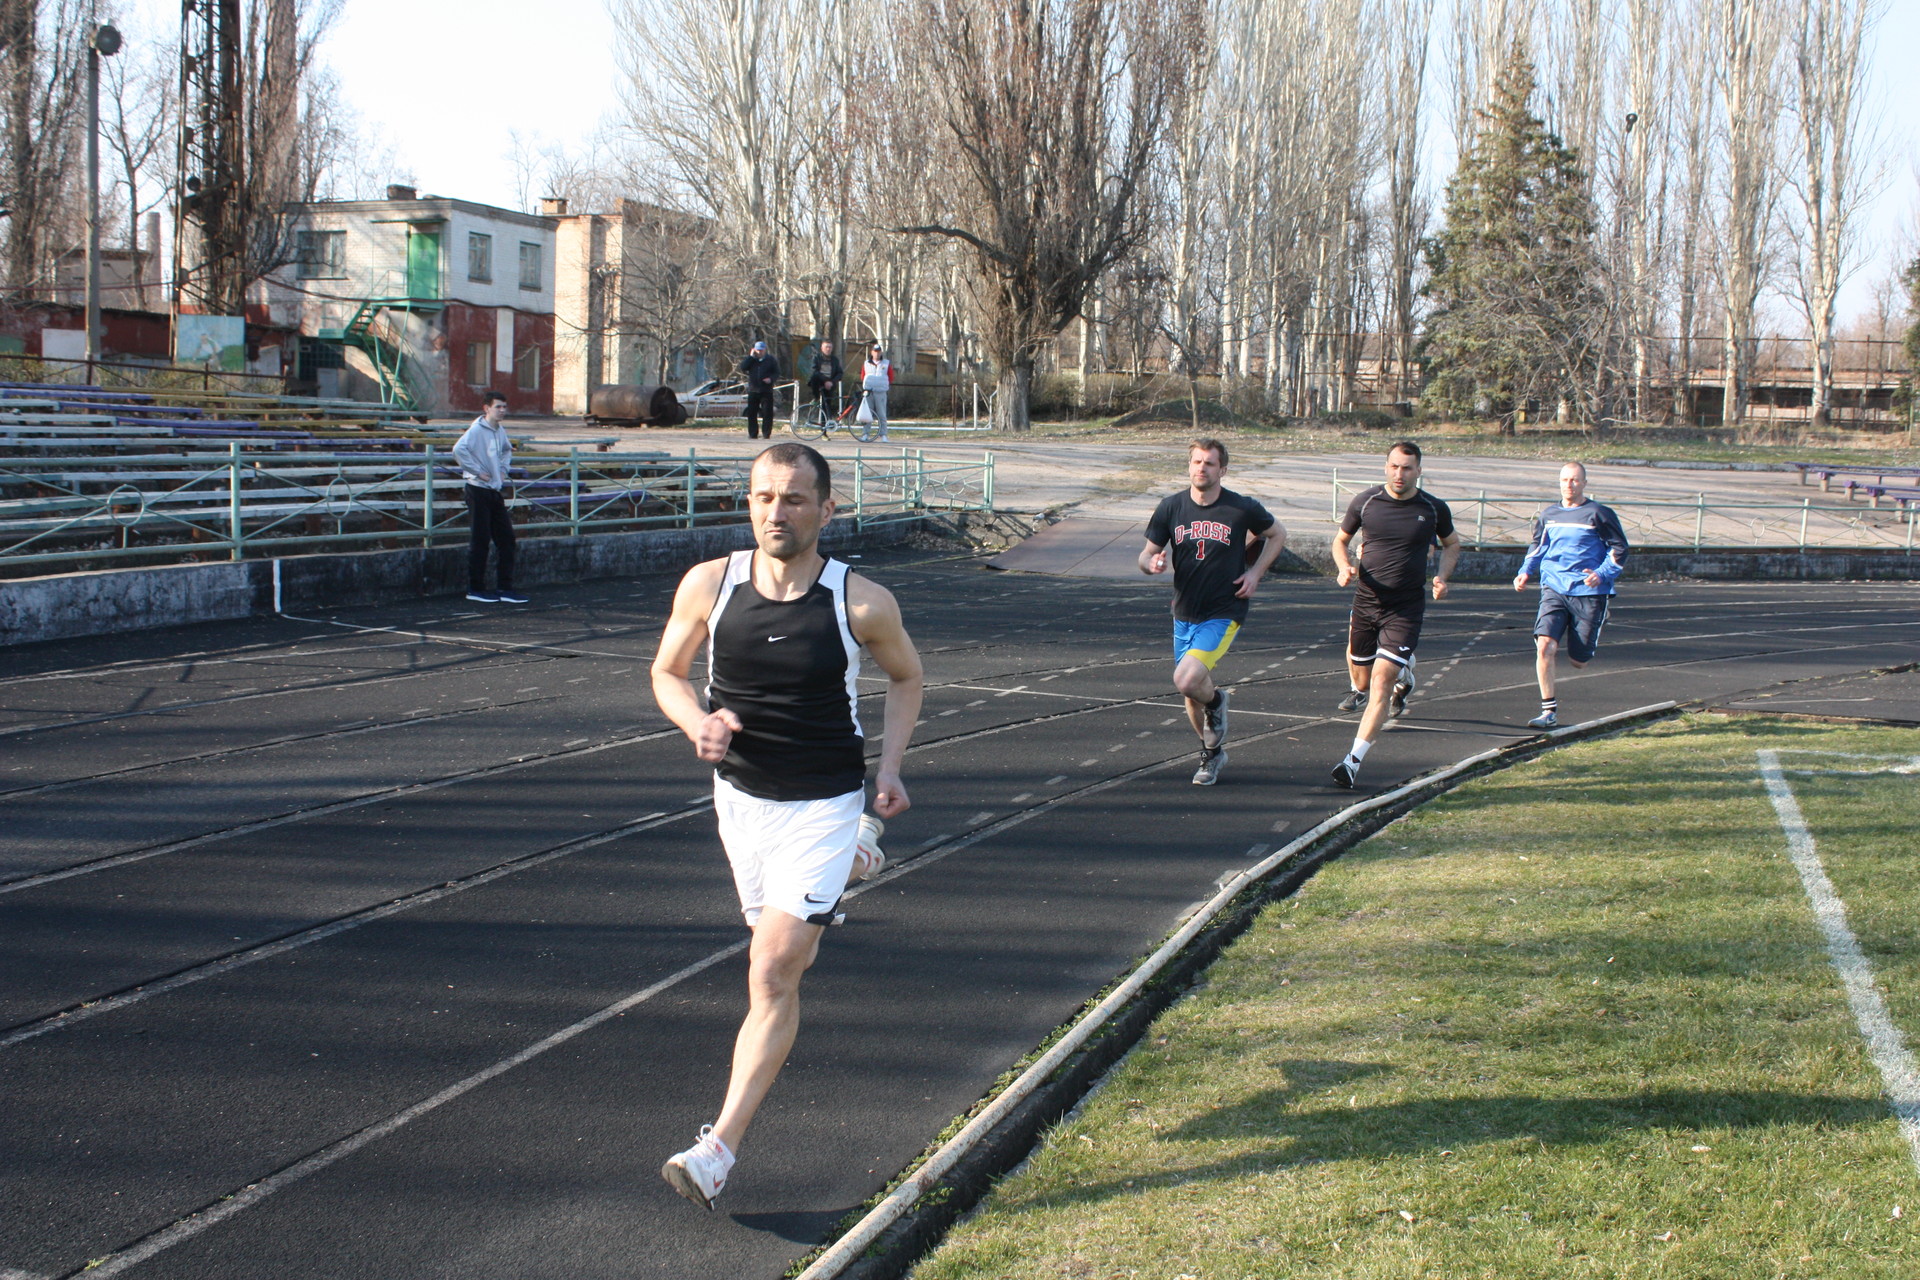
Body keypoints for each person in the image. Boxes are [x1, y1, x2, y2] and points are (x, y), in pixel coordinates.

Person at [650, 441, 924, 1210]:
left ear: (826, 509)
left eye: (795, 498)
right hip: (741, 804)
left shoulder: (859, 602)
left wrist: (891, 768)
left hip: (824, 801)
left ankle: (717, 1150)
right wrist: (697, 723)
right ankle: (855, 862)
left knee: (772, 968)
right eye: (765, 497)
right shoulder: (710, 584)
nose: (778, 511)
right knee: (773, 948)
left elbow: (907, 678)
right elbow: (667, 672)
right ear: (749, 503)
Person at [1140, 438, 1287, 786]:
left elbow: (1277, 534)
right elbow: (1145, 556)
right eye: (1196, 462)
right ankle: (1211, 755)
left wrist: (1255, 573)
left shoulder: (1240, 508)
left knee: (1187, 679)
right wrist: (1153, 564)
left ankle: (1218, 700)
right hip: (1184, 610)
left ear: (1222, 469)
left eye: (1209, 463)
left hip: (1224, 610)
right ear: (1189, 466)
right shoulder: (1170, 507)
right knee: (1191, 691)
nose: (1201, 468)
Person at [1329, 440, 1460, 789]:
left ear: (1419, 470)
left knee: (1381, 683)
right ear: (1386, 467)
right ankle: (1407, 672)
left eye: (1407, 468)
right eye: (1394, 467)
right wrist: (1344, 567)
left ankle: (1351, 761)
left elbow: (1452, 543)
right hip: (1367, 602)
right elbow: (1340, 540)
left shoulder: (1433, 508)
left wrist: (1442, 578)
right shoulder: (1366, 502)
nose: (1399, 474)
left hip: (1405, 607)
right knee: (1361, 682)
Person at [1513, 461, 1628, 728]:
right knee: (1545, 647)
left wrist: (1602, 573)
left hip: (1589, 591)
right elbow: (1537, 547)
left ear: (1584, 483)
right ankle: (1548, 712)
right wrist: (1525, 572)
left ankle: (1599, 619)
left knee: (1579, 661)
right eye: (1565, 480)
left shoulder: (1599, 514)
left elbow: (1620, 549)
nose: (1569, 485)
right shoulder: (1549, 515)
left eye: (1575, 480)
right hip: (1554, 587)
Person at [452, 391, 526, 604]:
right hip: (477, 490)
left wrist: (503, 469)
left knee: (506, 539)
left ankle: (505, 587)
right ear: (486, 408)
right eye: (498, 407)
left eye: (504, 407)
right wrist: (476, 471)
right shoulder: (476, 430)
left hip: (493, 490)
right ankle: (475, 588)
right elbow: (458, 450)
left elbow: (506, 450)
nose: (502, 411)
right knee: (480, 539)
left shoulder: (499, 430)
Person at [738, 340, 781, 440]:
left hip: (766, 390)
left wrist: (771, 379)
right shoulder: (752, 360)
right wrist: (751, 357)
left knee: (767, 413)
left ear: (765, 350)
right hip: (753, 390)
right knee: (752, 413)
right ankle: (753, 434)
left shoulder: (771, 360)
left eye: (761, 350)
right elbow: (743, 367)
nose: (759, 352)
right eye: (757, 350)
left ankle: (766, 433)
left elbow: (777, 372)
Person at [860, 344, 895, 441]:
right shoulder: (866, 363)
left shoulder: (886, 363)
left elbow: (891, 377)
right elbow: (863, 376)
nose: (877, 353)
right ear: (872, 352)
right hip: (869, 392)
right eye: (875, 351)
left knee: (882, 414)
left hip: (881, 392)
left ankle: (883, 434)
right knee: (867, 414)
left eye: (879, 351)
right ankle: (865, 434)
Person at [808, 339, 844, 420]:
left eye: (830, 347)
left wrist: (832, 382)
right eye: (826, 347)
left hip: (830, 383)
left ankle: (824, 425)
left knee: (827, 404)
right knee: (814, 377)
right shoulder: (816, 358)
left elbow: (840, 373)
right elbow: (814, 371)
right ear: (822, 348)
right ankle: (816, 397)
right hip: (819, 382)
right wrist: (825, 381)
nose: (828, 349)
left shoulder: (835, 360)